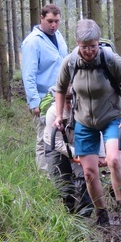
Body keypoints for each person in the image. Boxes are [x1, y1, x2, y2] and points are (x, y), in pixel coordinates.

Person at [54, 19, 121, 232]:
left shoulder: (110, 59)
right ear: (77, 44)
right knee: (89, 171)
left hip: (111, 117)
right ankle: (101, 214)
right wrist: (59, 115)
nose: (90, 51)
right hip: (83, 121)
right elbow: (60, 89)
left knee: (112, 160)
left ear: (98, 43)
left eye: (93, 46)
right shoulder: (70, 62)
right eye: (85, 47)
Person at [22, 4, 69, 172]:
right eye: (50, 21)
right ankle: (44, 175)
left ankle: (62, 174)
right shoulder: (32, 42)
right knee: (44, 138)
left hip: (62, 96)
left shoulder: (59, 37)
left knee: (61, 136)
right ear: (41, 18)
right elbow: (28, 74)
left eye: (57, 21)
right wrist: (34, 102)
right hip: (43, 98)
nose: (54, 25)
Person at [43, 86, 94, 217]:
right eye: (65, 99)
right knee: (62, 182)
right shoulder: (52, 112)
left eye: (71, 98)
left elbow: (94, 133)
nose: (69, 102)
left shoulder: (85, 110)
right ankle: (67, 213)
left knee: (86, 175)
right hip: (55, 147)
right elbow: (58, 143)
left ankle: (84, 215)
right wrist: (77, 154)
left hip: (77, 144)